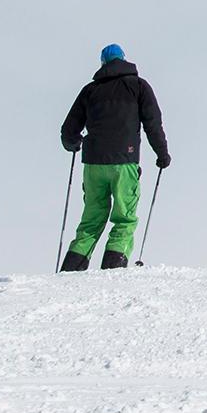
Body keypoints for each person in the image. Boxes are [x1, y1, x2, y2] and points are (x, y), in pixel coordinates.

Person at [58, 44, 170, 271]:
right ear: (124, 59)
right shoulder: (138, 86)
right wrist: (162, 154)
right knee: (124, 217)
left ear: (102, 64)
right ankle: (113, 269)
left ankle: (71, 271)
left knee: (91, 220)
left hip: (93, 165)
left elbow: (68, 130)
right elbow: (153, 124)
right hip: (124, 161)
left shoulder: (90, 90)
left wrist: (73, 143)